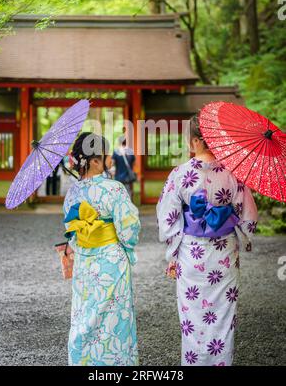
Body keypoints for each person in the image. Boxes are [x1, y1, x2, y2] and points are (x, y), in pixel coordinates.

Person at [156, 115, 258, 366]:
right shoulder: (233, 174)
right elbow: (248, 215)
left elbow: (168, 218)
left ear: (195, 141)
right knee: (223, 316)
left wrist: (172, 252)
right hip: (224, 253)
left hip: (192, 253)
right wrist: (245, 236)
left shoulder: (179, 174)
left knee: (192, 316)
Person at [63, 132, 141, 366]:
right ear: (95, 160)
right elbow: (129, 229)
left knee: (84, 317)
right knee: (114, 318)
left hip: (85, 262)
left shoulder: (73, 192)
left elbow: (72, 232)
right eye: (107, 156)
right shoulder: (114, 189)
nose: (110, 160)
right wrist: (126, 245)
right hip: (111, 263)